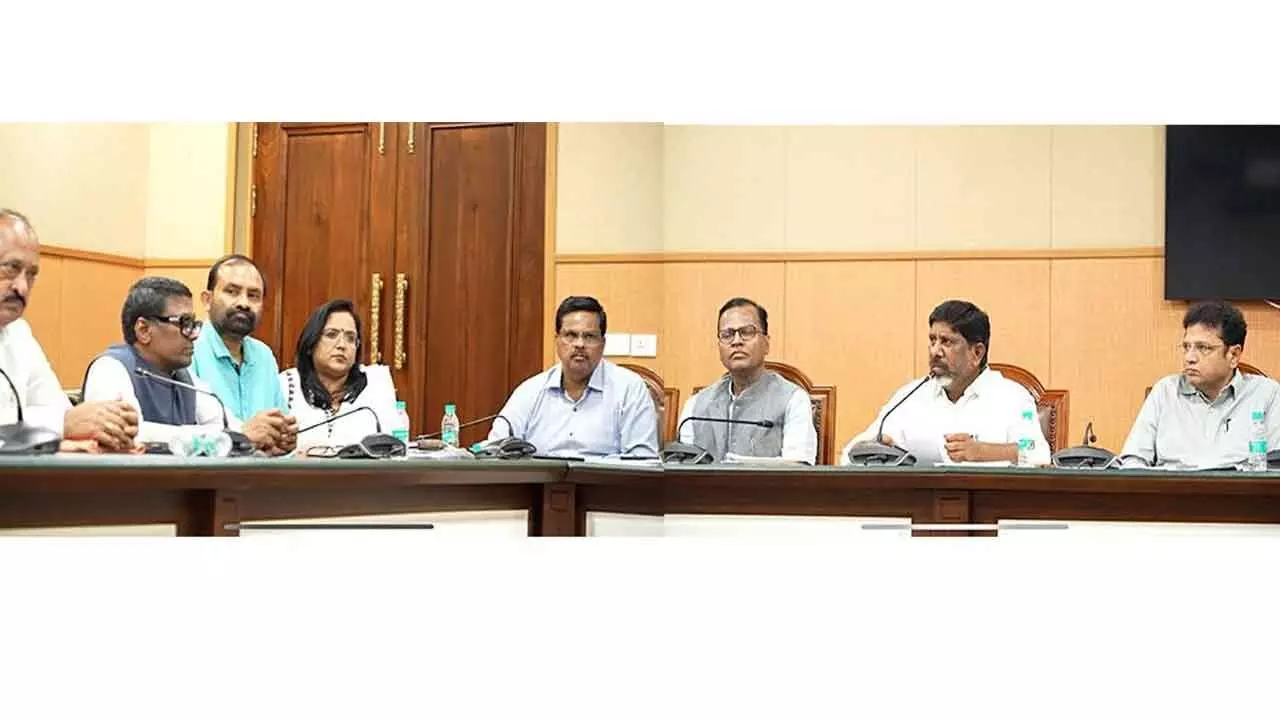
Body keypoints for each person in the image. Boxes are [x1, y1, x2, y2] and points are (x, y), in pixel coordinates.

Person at [840, 299, 1049, 466]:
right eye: (932, 340)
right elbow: (850, 454)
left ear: (976, 353)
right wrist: (874, 447)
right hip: (919, 509)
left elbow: (1036, 451)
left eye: (946, 342)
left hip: (990, 510)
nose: (935, 351)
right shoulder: (910, 396)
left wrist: (983, 452)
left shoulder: (1012, 397)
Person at [0, 208, 138, 449]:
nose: (21, 287)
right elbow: (63, 420)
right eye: (10, 268)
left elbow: (56, 407)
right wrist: (61, 426)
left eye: (31, 274)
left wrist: (109, 422)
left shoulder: (19, 334)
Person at [81, 277, 246, 448]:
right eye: (184, 323)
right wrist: (204, 435)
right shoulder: (110, 369)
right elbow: (126, 434)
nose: (194, 334)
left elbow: (226, 427)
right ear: (144, 330)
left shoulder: (183, 377)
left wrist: (249, 432)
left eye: (193, 324)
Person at [488, 296, 659, 458]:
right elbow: (496, 448)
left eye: (589, 336)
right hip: (539, 486)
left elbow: (643, 460)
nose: (579, 344)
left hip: (606, 486)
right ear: (557, 341)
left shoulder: (630, 389)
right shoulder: (530, 391)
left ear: (603, 344)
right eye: (571, 335)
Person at [1121, 300, 1280, 468]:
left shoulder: (1266, 394)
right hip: (1173, 492)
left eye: (1203, 348)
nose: (1189, 357)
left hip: (1240, 493)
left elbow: (1276, 467)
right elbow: (1132, 462)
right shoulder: (1165, 392)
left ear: (1233, 355)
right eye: (1186, 347)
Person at [676, 297, 817, 463]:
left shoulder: (793, 399)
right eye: (727, 335)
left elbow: (799, 468)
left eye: (747, 332)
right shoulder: (695, 406)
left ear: (766, 343)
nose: (736, 341)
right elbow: (683, 470)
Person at [190, 253, 297, 454]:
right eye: (232, 291)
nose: (244, 303)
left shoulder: (263, 355)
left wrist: (285, 437)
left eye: (254, 295)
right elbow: (180, 433)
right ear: (207, 300)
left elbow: (278, 426)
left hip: (260, 476)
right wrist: (241, 436)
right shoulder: (188, 349)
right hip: (205, 478)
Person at [279, 299, 398, 450]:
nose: (342, 345)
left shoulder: (376, 385)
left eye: (350, 338)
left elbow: (395, 447)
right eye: (331, 335)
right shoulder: (287, 385)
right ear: (311, 343)